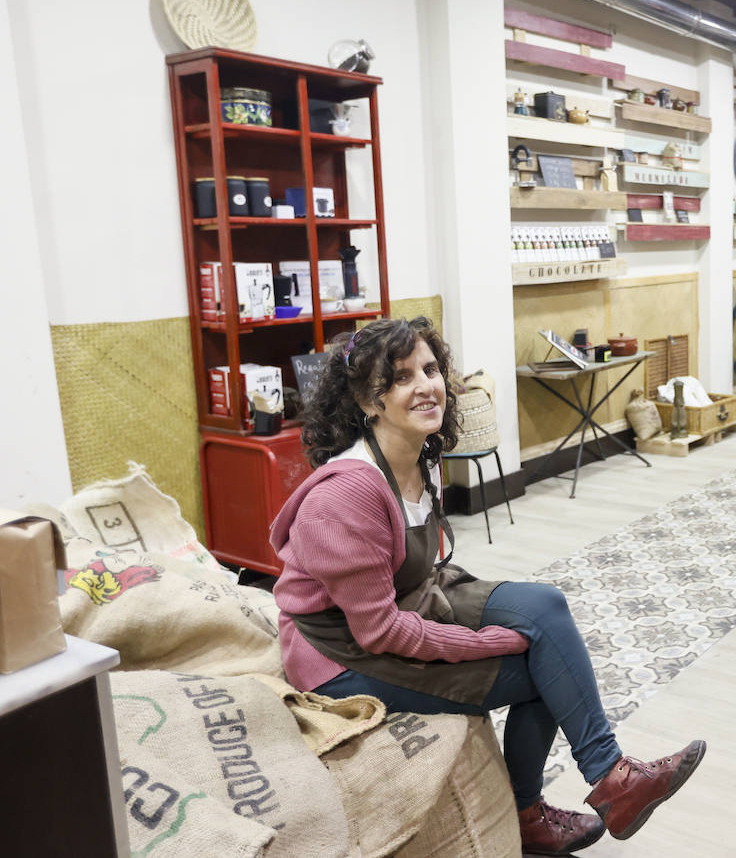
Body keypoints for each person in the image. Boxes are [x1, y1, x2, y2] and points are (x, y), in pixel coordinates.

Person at [270, 317, 705, 856]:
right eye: (402, 377)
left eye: (431, 369)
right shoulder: (346, 496)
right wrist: (490, 642)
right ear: (367, 400)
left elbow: (416, 575)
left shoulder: (417, 455)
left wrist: (502, 626)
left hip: (411, 596)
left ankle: (613, 777)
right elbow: (377, 631)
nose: (427, 385)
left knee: (545, 608)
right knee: (538, 669)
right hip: (340, 655)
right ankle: (527, 813)